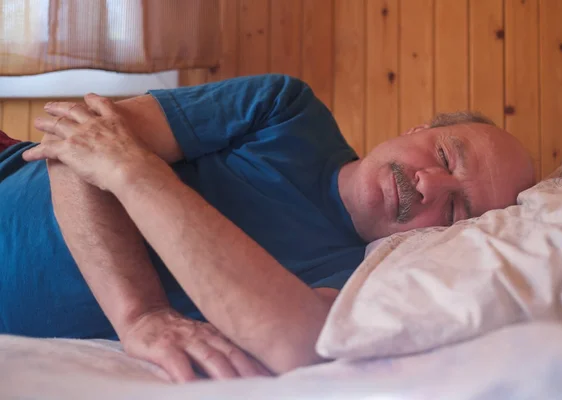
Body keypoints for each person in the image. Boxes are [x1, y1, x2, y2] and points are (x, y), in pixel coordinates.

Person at [0, 74, 535, 382]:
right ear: (419, 129)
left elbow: (292, 343)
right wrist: (139, 312)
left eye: (457, 209)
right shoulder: (287, 110)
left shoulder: (363, 278)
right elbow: (73, 140)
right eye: (444, 155)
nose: (429, 185)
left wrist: (133, 173)